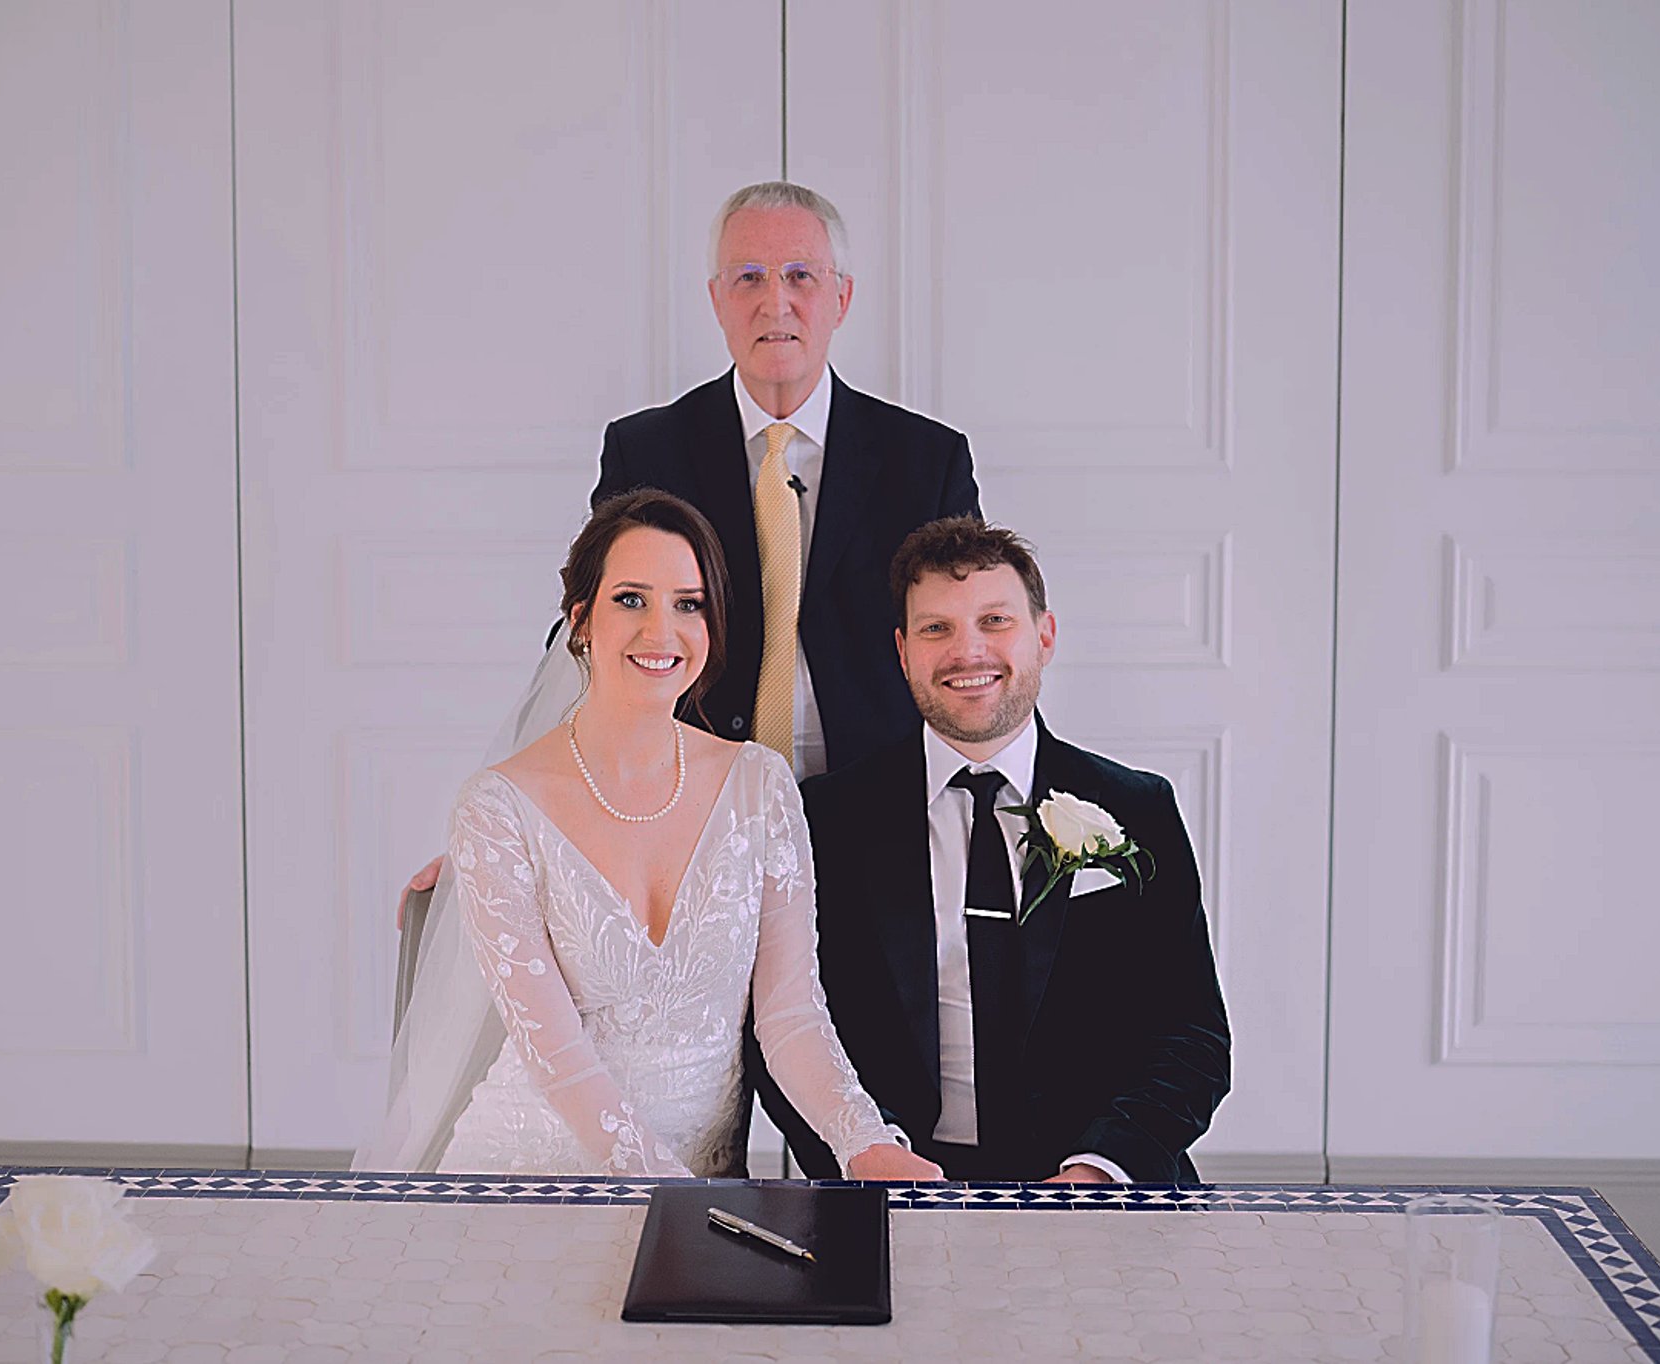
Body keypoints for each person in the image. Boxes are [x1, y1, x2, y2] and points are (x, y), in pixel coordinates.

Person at [399, 181, 980, 909]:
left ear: (843, 296)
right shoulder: (648, 449)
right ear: (716, 299)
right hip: (682, 829)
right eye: (749, 278)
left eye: (801, 276)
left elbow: (973, 649)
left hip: (885, 829)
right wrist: (507, 830)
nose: (775, 303)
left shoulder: (926, 459)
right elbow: (592, 637)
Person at [361, 490, 944, 1180]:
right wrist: (671, 1193)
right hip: (531, 1177)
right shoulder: (497, 808)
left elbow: (790, 1015)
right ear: (581, 621)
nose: (661, 631)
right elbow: (558, 1056)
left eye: (688, 604)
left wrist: (865, 1140)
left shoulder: (760, 786)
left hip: (701, 1185)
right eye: (631, 599)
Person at [757, 517, 1230, 1183]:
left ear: (1044, 635)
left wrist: (1103, 1168)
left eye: (994, 621)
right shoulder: (825, 819)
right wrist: (870, 1157)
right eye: (936, 628)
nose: (967, 651)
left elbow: (1192, 1035)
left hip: (1102, 1186)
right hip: (894, 1179)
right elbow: (786, 1028)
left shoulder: (1138, 807)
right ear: (903, 651)